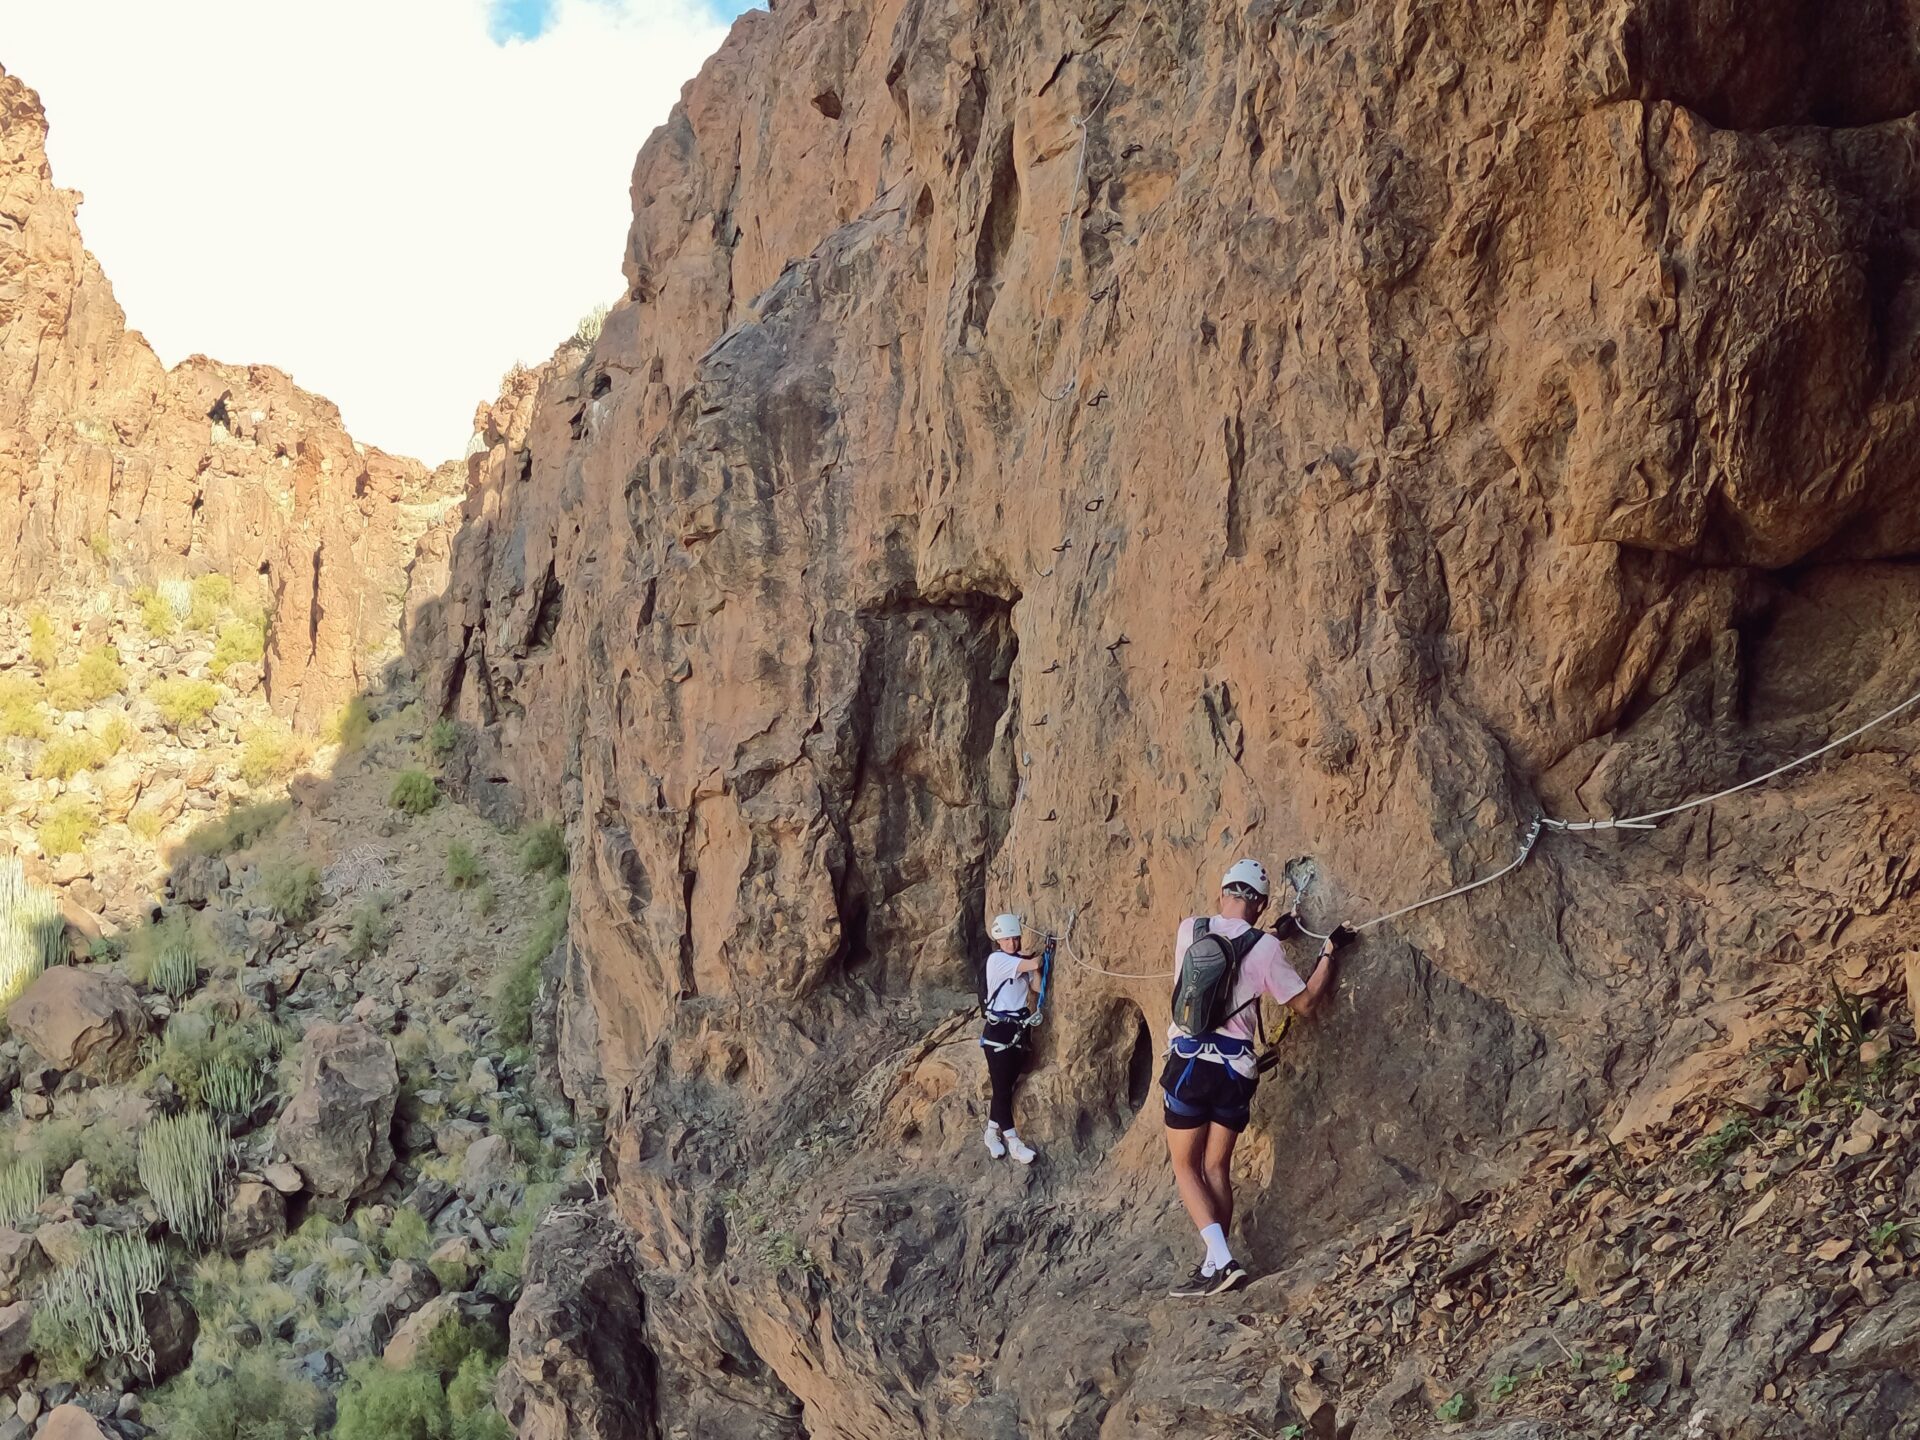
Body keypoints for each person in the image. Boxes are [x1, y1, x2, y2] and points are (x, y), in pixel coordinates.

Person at [1162, 859, 1341, 1296]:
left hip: (1188, 1066)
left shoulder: (1190, 929)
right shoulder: (1265, 949)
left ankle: (1221, 1261)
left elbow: (1219, 957)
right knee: (1216, 1167)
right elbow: (1304, 1001)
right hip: (1234, 1071)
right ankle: (1213, 1266)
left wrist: (1270, 935)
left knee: (1186, 1167)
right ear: (1259, 904)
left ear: (1223, 894)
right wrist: (1330, 952)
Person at [980, 912, 1044, 1164]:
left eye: (1015, 939)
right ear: (999, 940)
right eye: (1007, 940)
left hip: (1018, 1028)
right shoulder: (997, 960)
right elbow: (1034, 964)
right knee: (1002, 1087)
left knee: (1006, 1085)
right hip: (998, 1031)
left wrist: (1036, 967)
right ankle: (1014, 1142)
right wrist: (1041, 956)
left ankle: (990, 1132)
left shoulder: (1018, 960)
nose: (1012, 944)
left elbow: (1037, 986)